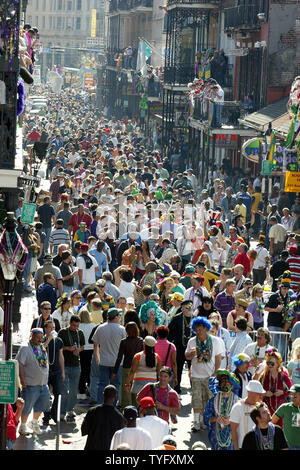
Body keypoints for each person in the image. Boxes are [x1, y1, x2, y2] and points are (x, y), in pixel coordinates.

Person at [185, 317, 222, 431]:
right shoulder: (192, 341)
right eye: (196, 329)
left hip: (209, 376)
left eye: (200, 329)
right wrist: (191, 354)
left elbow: (218, 357)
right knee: (196, 400)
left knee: (208, 400)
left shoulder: (215, 341)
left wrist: (215, 372)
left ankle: (204, 421)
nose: (198, 332)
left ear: (206, 328)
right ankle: (196, 422)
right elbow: (186, 356)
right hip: (196, 375)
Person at [16, 328, 50, 435]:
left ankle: (34, 423)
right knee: (26, 407)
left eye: (41, 338)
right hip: (30, 384)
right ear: (32, 336)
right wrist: (22, 379)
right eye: (37, 337)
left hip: (43, 384)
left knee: (42, 405)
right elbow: (20, 363)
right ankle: (23, 426)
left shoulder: (41, 347)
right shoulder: (25, 348)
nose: (40, 340)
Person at [91, 307, 126, 404]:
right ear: (115, 317)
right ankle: (113, 406)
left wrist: (97, 357)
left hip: (104, 361)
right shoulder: (122, 329)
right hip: (117, 363)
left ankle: (101, 404)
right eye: (119, 315)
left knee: (102, 384)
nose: (119, 317)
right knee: (116, 385)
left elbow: (95, 345)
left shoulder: (100, 328)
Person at [203, 369, 240, 450]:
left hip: (232, 439)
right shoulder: (213, 401)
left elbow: (243, 420)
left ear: (233, 385)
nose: (225, 384)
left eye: (227, 382)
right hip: (216, 438)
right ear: (219, 385)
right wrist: (215, 419)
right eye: (222, 382)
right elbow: (206, 419)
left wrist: (231, 420)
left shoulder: (238, 402)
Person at [58, 315, 85, 422]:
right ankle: (62, 411)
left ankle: (70, 409)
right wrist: (68, 348)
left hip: (76, 365)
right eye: (73, 325)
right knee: (64, 390)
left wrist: (79, 350)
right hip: (65, 365)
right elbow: (59, 347)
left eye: (77, 326)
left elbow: (83, 346)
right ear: (70, 323)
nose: (75, 328)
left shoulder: (80, 333)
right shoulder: (63, 332)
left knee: (74, 390)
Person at [81, 385, 125, 450]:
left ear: (103, 395)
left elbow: (84, 430)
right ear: (115, 397)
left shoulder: (92, 411)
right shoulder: (119, 417)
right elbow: (120, 439)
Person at [112, 322, 144, 409]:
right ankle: (136, 409)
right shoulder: (141, 341)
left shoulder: (124, 342)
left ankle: (126, 409)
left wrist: (114, 372)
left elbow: (119, 358)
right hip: (138, 368)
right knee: (136, 390)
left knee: (126, 390)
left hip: (126, 367)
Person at [258, 348, 293, 425]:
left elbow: (292, 391)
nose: (270, 365)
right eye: (268, 363)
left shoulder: (283, 376)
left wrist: (282, 392)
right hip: (267, 411)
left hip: (281, 411)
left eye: (272, 363)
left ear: (277, 364)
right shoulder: (263, 376)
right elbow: (256, 391)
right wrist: (265, 394)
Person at [229, 380, 266, 450]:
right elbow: (233, 429)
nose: (261, 396)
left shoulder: (261, 407)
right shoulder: (238, 407)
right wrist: (236, 448)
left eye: (260, 394)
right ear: (250, 393)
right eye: (259, 394)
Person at [42, 320, 66, 425]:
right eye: (50, 327)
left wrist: (63, 371)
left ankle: (54, 413)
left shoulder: (59, 340)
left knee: (58, 393)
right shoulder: (41, 339)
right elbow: (40, 350)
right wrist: (48, 339)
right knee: (45, 394)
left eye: (54, 327)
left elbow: (61, 356)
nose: (52, 330)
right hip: (45, 371)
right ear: (45, 329)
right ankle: (46, 415)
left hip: (56, 370)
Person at [168, 300, 194, 393]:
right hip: (179, 348)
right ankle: (176, 388)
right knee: (178, 368)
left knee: (193, 369)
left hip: (192, 350)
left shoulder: (195, 319)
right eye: (186, 308)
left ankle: (194, 389)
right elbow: (169, 334)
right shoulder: (176, 319)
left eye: (190, 308)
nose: (189, 310)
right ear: (182, 309)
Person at [272, 384, 300, 450]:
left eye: (295, 395)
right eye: (291, 395)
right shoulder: (284, 407)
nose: (292, 398)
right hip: (287, 446)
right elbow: (271, 423)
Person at [78, 309, 95, 400]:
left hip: (82, 350)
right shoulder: (93, 325)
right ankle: (90, 388)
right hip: (92, 349)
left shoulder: (79, 326)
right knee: (91, 371)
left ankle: (81, 391)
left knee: (83, 371)